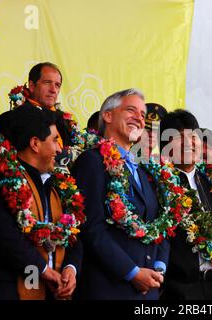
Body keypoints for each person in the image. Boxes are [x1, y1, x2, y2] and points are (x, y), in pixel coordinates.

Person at [0, 105, 83, 300]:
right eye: (55, 140)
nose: (59, 148)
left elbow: (74, 232)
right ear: (35, 144)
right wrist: (44, 270)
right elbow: (3, 236)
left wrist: (71, 269)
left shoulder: (58, 183)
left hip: (52, 290)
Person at [72, 88, 169, 300]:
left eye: (142, 115)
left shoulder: (145, 170)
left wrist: (159, 268)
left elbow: (160, 225)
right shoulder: (92, 161)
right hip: (109, 288)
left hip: (148, 292)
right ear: (107, 116)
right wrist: (132, 272)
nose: (139, 119)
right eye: (131, 110)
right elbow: (91, 229)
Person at [158, 109, 212, 300]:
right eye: (180, 137)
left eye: (194, 136)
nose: (189, 143)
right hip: (182, 288)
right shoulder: (158, 182)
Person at [0, 62, 74, 168]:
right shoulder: (11, 119)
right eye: (47, 82)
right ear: (32, 86)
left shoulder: (64, 122)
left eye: (57, 85)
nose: (53, 90)